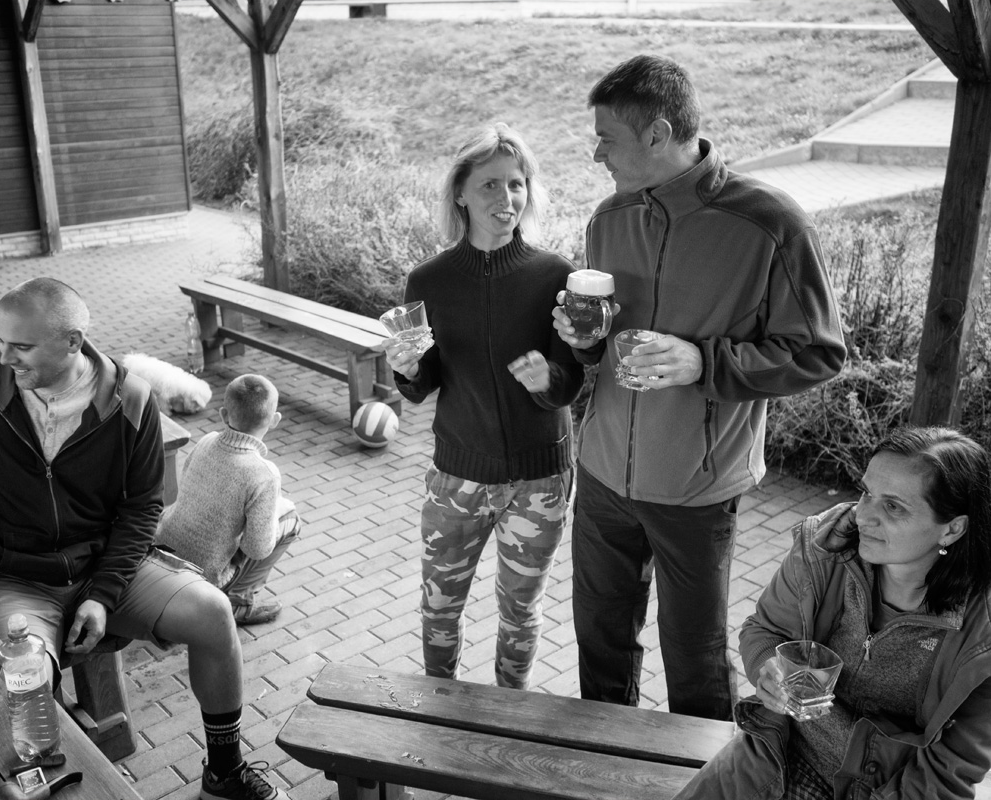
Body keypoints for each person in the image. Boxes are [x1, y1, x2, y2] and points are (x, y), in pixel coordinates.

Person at [552, 54, 847, 719]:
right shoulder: (607, 219)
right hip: (600, 475)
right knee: (599, 642)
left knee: (694, 657)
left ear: (657, 134)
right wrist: (583, 338)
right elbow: (605, 344)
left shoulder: (771, 223)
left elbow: (818, 352)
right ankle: (607, 758)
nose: (596, 153)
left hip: (696, 489)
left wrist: (702, 362)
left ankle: (701, 770)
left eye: (606, 139)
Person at [0, 278, 281, 800]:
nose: (4, 357)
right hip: (11, 574)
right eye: (0, 341)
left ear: (72, 342)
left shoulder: (131, 399)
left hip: (105, 562)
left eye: (21, 346)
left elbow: (142, 508)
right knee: (26, 681)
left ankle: (224, 774)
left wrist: (102, 594)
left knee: (212, 612)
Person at [676, 426, 991, 799]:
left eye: (893, 506)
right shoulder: (825, 545)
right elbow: (764, 630)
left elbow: (949, 768)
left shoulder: (981, 633)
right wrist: (768, 668)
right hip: (778, 750)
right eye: (866, 493)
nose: (863, 516)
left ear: (952, 529)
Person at [385, 122, 584, 690]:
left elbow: (570, 381)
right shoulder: (429, 280)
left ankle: (509, 713)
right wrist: (407, 369)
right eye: (490, 185)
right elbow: (424, 381)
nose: (507, 198)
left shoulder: (556, 275)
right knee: (439, 607)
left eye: (517, 184)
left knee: (521, 611)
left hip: (539, 478)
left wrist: (548, 378)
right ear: (461, 194)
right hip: (458, 477)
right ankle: (440, 706)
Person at [156, 373, 300, 626]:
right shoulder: (264, 474)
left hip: (164, 552)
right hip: (207, 574)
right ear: (275, 420)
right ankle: (238, 602)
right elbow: (257, 549)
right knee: (291, 518)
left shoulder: (206, 440)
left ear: (224, 415)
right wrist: (278, 510)